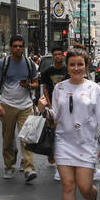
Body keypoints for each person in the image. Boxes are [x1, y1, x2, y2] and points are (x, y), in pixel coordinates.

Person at [37, 47, 100, 200]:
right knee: (68, 185)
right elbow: (55, 118)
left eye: (80, 64)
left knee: (85, 187)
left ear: (86, 66)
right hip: (64, 142)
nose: (76, 68)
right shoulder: (60, 88)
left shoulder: (94, 89)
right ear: (67, 66)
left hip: (86, 144)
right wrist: (43, 109)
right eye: (72, 65)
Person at [0, 35, 39, 182]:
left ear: (24, 47)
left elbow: (36, 83)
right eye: (15, 46)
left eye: (20, 46)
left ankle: (29, 168)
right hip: (7, 105)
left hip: (25, 106)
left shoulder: (30, 64)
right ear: (11, 47)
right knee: (8, 139)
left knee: (27, 137)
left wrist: (29, 85)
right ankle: (9, 165)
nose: (18, 48)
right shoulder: (3, 64)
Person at [41, 45, 71, 181]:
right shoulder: (48, 72)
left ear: (63, 56)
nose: (58, 56)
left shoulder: (68, 70)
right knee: (54, 133)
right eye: (55, 54)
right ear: (53, 57)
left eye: (60, 54)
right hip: (54, 107)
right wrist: (49, 103)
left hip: (67, 107)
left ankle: (61, 158)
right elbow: (45, 88)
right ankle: (54, 154)